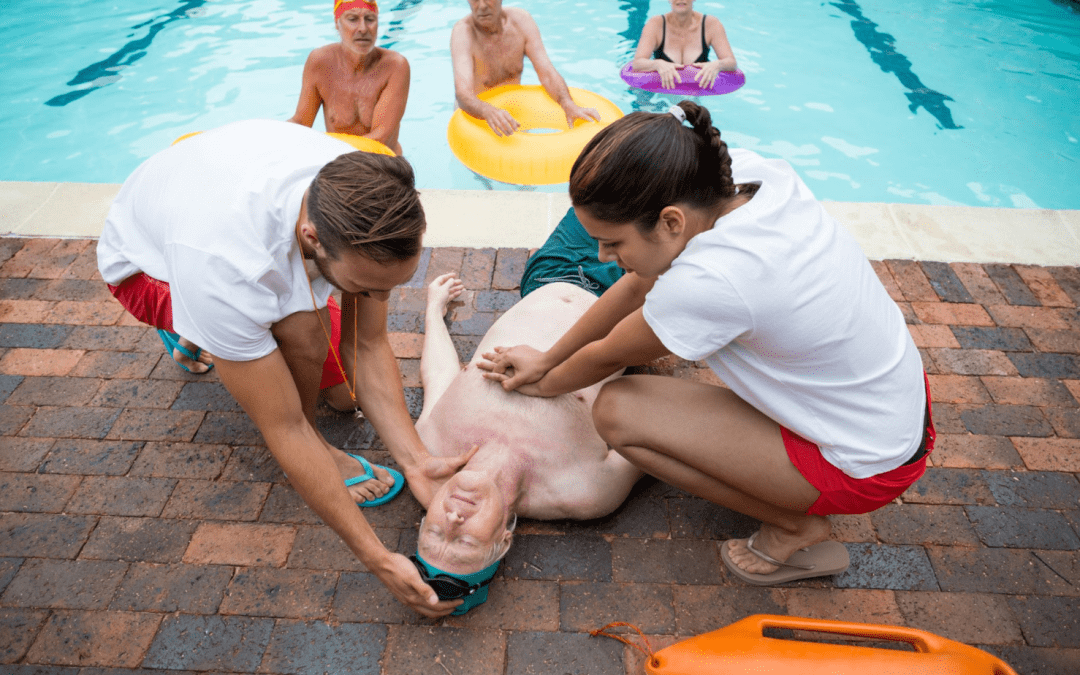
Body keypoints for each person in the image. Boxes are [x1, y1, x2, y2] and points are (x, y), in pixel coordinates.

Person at [480, 101, 935, 586]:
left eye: (613, 243)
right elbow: (640, 283)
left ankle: (795, 526)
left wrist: (543, 381)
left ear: (672, 222)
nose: (601, 255)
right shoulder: (743, 178)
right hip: (894, 411)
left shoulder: (714, 280)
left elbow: (609, 354)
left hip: (863, 466)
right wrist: (548, 356)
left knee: (618, 413)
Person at [97, 119, 471, 616]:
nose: (380, 299)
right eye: (366, 287)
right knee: (304, 336)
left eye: (392, 285)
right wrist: (377, 557)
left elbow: (368, 339)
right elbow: (285, 426)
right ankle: (192, 324)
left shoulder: (362, 189)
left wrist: (416, 459)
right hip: (149, 268)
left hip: (214, 206)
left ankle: (228, 330)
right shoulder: (225, 267)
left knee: (342, 395)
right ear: (312, 238)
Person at [407, 213, 641, 614]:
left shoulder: (431, 447)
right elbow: (659, 437)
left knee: (617, 174)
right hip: (632, 296)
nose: (453, 518)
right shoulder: (583, 492)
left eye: (433, 530)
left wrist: (433, 309)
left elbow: (439, 374)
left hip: (551, 274)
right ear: (503, 540)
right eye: (464, 542)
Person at [450, 0, 600, 137]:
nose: (482, 6)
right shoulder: (463, 34)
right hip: (477, 118)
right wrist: (488, 111)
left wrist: (567, 103)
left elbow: (547, 72)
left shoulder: (521, 22)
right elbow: (463, 94)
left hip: (514, 113)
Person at [289, 0, 410, 155]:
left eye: (370, 19)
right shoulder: (320, 62)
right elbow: (301, 123)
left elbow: (380, 138)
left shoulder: (395, 66)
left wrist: (321, 147)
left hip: (383, 166)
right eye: (352, 19)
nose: (363, 28)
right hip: (341, 165)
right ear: (337, 23)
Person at [631, 0, 737, 91]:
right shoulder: (655, 24)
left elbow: (731, 62)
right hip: (659, 90)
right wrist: (657, 64)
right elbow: (637, 63)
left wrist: (718, 65)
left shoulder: (710, 24)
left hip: (696, 91)